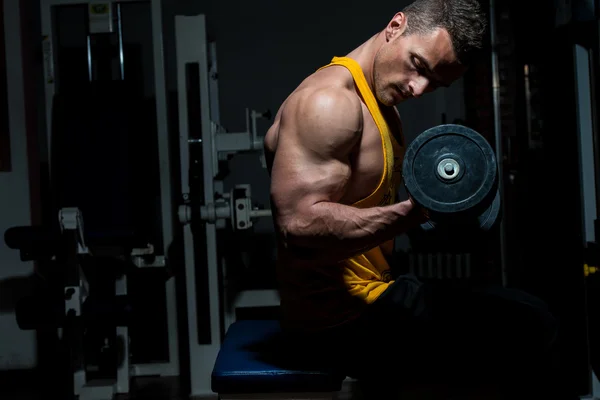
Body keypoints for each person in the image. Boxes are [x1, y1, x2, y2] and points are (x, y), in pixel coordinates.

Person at [263, 0, 571, 397]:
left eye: (436, 84)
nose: (419, 88)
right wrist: (417, 211)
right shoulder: (329, 105)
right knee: (531, 326)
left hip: (372, 296)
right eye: (419, 66)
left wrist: (440, 215)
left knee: (529, 310)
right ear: (395, 26)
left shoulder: (380, 102)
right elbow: (298, 227)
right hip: (335, 323)